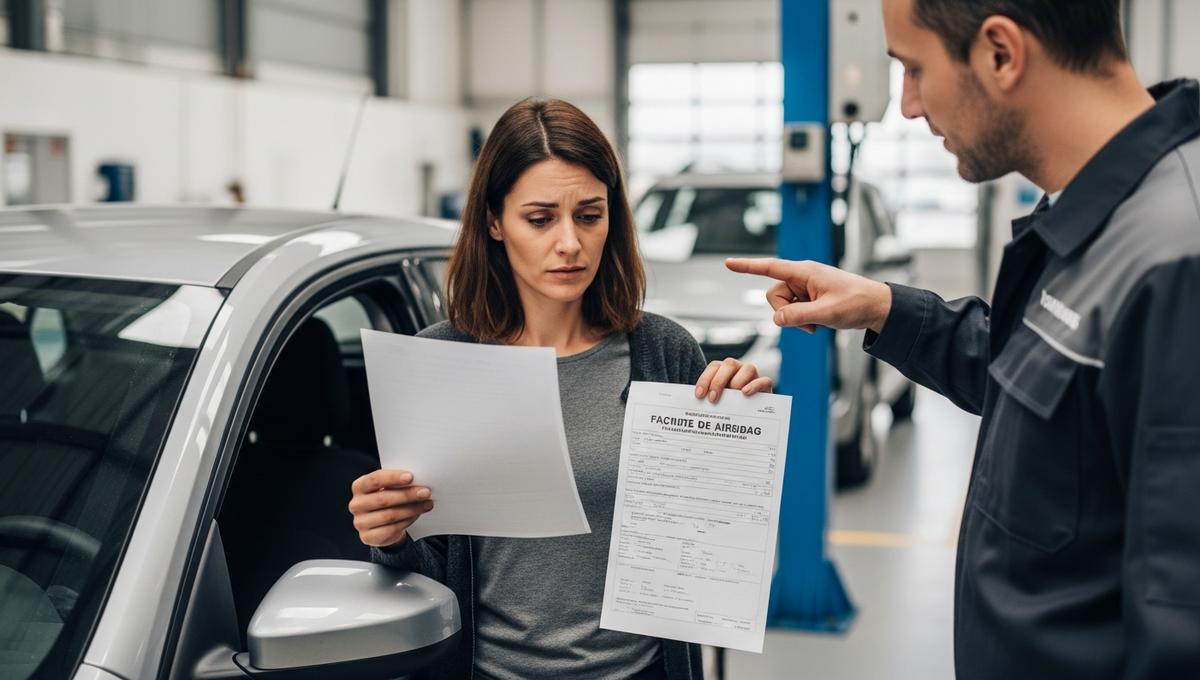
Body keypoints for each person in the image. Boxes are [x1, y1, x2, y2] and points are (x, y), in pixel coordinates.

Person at [728, 1, 1200, 678]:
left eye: (915, 69)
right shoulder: (1094, 213)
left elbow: (1181, 631)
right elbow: (1039, 387)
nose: (908, 106)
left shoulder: (1177, 260)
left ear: (1001, 54)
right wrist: (882, 308)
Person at [348, 97, 772, 680]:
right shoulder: (440, 360)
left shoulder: (663, 352)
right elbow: (432, 576)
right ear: (494, 222)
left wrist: (737, 443)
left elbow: (710, 552)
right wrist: (391, 538)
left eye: (589, 216)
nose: (570, 243)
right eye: (541, 219)